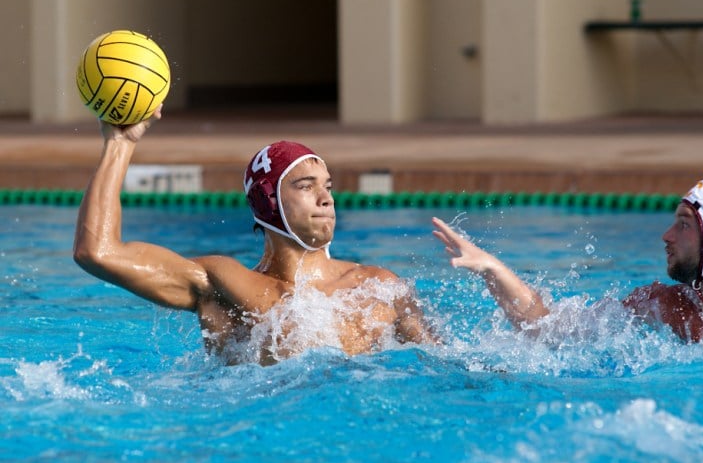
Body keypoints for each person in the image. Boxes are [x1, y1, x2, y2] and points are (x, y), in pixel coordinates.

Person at [73, 109, 436, 365]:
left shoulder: (378, 287)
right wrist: (120, 144)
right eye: (305, 187)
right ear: (268, 200)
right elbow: (98, 252)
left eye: (327, 186)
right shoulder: (225, 285)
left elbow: (451, 369)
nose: (326, 198)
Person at [432, 176, 703, 341]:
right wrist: (493, 268)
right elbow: (551, 330)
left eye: (683, 224)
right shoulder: (667, 307)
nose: (666, 236)